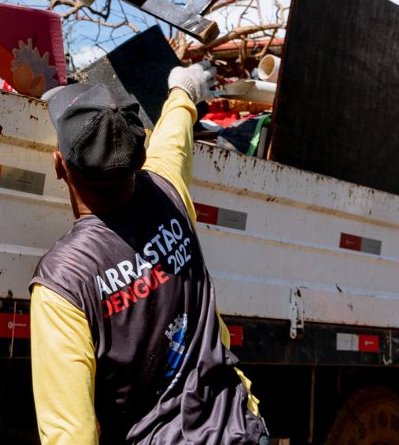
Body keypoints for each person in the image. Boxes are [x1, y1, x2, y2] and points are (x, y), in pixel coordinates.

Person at [30, 65, 269, 444]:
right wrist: (183, 91)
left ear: (60, 167)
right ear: (140, 160)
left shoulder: (63, 283)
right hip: (237, 428)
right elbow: (173, 139)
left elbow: (70, 433)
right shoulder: (168, 191)